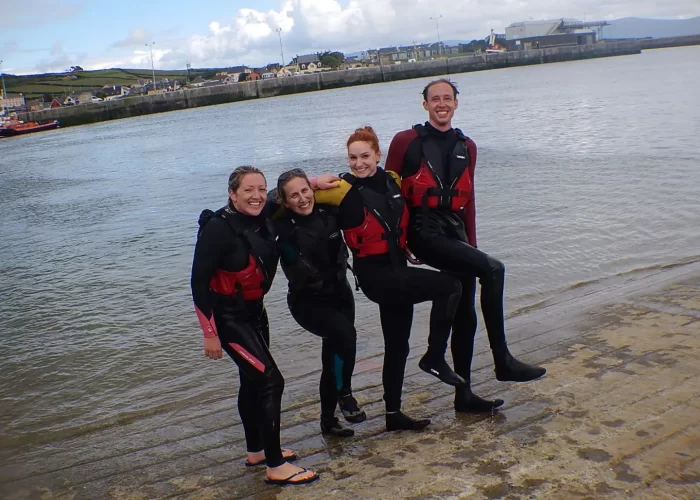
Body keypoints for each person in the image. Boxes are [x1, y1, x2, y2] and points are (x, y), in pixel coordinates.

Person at [385, 79, 546, 414]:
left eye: (448, 98)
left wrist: (471, 246)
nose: (441, 104)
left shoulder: (467, 146)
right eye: (435, 99)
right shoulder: (406, 141)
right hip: (422, 228)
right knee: (495, 268)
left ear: (456, 103)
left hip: (454, 232)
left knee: (465, 311)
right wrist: (400, 242)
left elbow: (468, 201)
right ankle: (502, 359)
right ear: (425, 104)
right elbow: (390, 196)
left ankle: (464, 395)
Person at [314, 126, 466, 432]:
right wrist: (312, 181)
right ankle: (435, 356)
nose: (358, 163)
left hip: (398, 269)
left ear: (378, 155)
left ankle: (393, 413)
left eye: (365, 156)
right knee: (451, 286)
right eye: (352, 157)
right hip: (375, 276)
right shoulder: (340, 189)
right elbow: (290, 195)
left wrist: (409, 245)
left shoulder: (392, 180)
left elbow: (400, 218)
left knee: (398, 345)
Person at [190, 166, 319, 486]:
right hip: (228, 320)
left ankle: (257, 451)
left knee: (251, 382)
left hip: (255, 314)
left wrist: (317, 182)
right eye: (248, 190)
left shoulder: (266, 209)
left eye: (261, 189)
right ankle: (275, 466)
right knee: (271, 382)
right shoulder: (217, 229)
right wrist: (210, 334)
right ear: (232, 194)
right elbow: (197, 283)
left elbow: (290, 191)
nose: (257, 195)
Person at [272, 168, 366, 437]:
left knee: (334, 353)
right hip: (307, 301)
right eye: (293, 195)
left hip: (341, 294)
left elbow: (358, 202)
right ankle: (345, 393)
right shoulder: (280, 225)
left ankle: (328, 421)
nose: (302, 199)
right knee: (346, 335)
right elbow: (254, 204)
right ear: (285, 200)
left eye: (305, 191)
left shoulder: (330, 213)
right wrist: (312, 180)